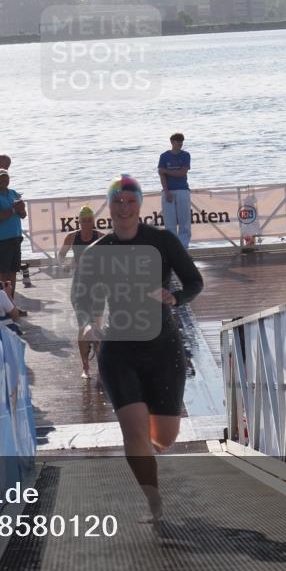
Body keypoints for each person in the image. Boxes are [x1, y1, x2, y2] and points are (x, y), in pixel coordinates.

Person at [73, 175, 203, 521]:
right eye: (117, 201)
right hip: (119, 349)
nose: (124, 207)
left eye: (131, 201)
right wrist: (87, 323)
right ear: (109, 206)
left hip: (163, 347)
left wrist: (175, 297)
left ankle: (149, 444)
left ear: (140, 205)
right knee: (133, 431)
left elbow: (195, 281)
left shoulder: (162, 241)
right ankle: (153, 501)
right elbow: (81, 297)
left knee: (165, 438)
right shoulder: (97, 251)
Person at [57, 206, 106, 378]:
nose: (86, 224)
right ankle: (85, 366)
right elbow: (60, 255)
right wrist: (65, 264)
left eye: (89, 220)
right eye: (83, 220)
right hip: (79, 287)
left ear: (93, 221)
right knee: (83, 326)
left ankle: (101, 365)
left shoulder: (101, 237)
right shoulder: (72, 237)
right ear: (79, 221)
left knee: (97, 328)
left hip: (98, 287)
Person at [0, 168, 27, 304]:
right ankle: (2, 305)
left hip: (15, 238)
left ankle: (11, 303)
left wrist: (21, 209)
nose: (4, 180)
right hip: (1, 240)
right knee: (2, 274)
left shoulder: (13, 193)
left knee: (13, 271)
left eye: (6, 177)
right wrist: (14, 209)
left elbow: (23, 215)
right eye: (1, 178)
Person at [158, 133, 192, 249]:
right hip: (168, 191)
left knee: (184, 222)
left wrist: (166, 171)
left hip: (182, 190)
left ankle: (184, 248)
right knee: (169, 223)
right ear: (172, 142)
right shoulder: (164, 156)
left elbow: (182, 173)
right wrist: (166, 191)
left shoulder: (185, 155)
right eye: (177, 141)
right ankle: (172, 248)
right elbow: (161, 175)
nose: (180, 143)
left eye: (181, 141)